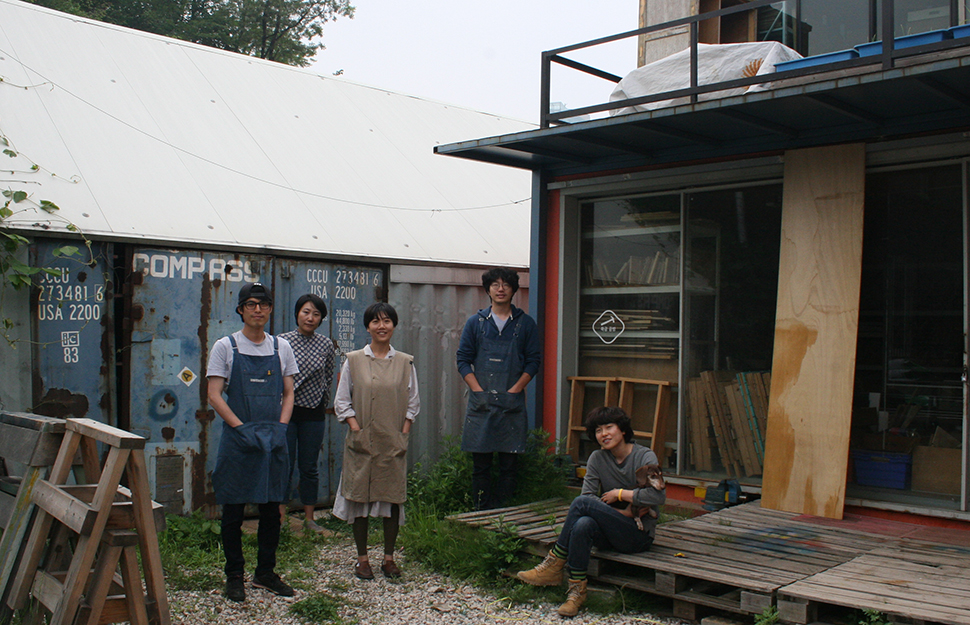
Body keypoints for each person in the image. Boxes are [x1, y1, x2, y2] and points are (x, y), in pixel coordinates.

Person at [516, 406, 666, 617]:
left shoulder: (644, 456)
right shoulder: (597, 458)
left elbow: (659, 497)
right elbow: (588, 496)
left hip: (637, 535)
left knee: (581, 504)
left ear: (622, 430)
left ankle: (554, 562)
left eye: (609, 427)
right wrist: (623, 513)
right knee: (582, 523)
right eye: (597, 430)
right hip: (609, 530)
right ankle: (576, 593)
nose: (603, 434)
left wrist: (620, 494)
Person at [207, 282, 298, 603]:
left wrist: (281, 428)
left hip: (273, 440)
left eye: (263, 304)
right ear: (241, 310)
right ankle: (234, 576)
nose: (257, 309)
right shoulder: (225, 347)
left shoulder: (280, 348)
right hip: (238, 440)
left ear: (270, 309)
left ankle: (265, 573)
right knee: (232, 510)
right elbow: (214, 395)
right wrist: (241, 428)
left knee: (271, 510)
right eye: (251, 304)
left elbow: (289, 393)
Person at [333, 302, 420, 580]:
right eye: (375, 321)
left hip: (392, 439)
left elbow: (413, 402)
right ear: (367, 326)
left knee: (391, 498)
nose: (381, 326)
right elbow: (341, 401)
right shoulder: (354, 359)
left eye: (387, 321)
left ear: (394, 325)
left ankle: (389, 558)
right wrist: (355, 428)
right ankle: (362, 559)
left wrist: (404, 431)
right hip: (362, 440)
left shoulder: (405, 361)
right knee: (359, 497)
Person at [456, 267, 540, 510]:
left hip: (511, 403)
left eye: (506, 284)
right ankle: (481, 513)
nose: (500, 288)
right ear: (488, 290)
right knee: (480, 465)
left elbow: (534, 361)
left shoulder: (525, 324)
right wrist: (478, 390)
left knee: (508, 465)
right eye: (495, 284)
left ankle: (505, 516)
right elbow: (462, 359)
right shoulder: (476, 323)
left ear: (514, 289)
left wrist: (515, 390)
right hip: (481, 404)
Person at [278, 293, 337, 533]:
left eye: (316, 314)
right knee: (284, 464)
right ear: (297, 314)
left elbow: (329, 376)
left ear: (321, 318)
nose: (310, 318)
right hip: (286, 413)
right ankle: (280, 518)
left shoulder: (325, 344)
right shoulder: (282, 341)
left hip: (313, 414)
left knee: (309, 466)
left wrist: (322, 405)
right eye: (306, 312)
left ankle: (310, 519)